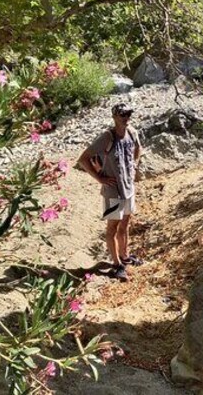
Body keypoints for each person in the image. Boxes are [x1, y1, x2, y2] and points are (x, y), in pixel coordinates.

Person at [78, 103, 143, 280]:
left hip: (128, 189)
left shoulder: (132, 133)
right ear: (114, 117)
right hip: (113, 191)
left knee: (125, 224)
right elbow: (83, 159)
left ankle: (125, 256)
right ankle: (116, 265)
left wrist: (134, 165)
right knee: (113, 227)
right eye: (122, 114)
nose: (126, 117)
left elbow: (138, 149)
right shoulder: (107, 137)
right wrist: (100, 178)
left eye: (128, 114)